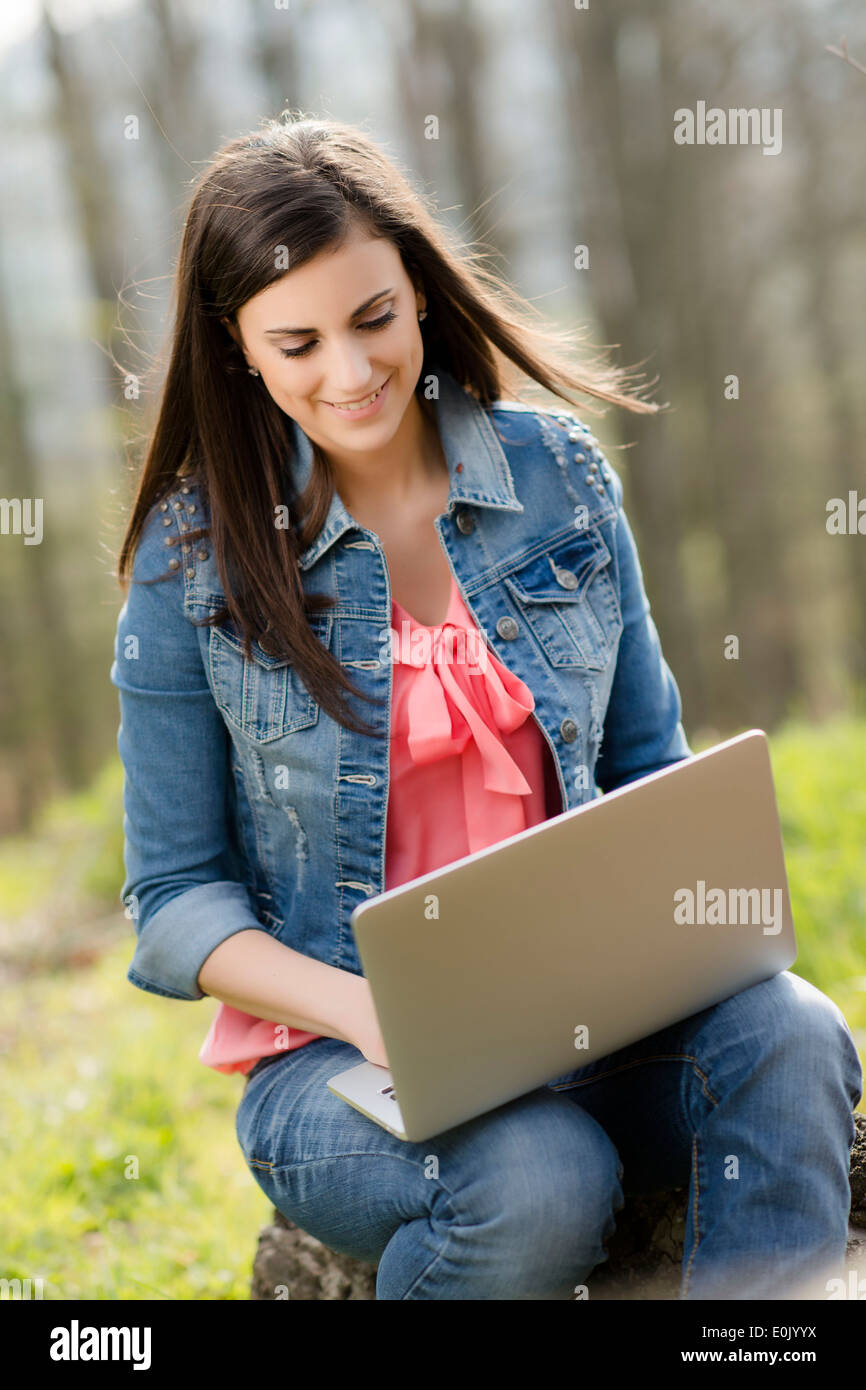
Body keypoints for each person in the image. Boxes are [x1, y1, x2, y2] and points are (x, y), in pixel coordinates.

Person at [110, 114, 862, 1301]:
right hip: (338, 1071)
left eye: (372, 320)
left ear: (416, 291)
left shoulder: (556, 476)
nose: (350, 375)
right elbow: (171, 901)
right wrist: (370, 1014)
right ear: (237, 346)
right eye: (296, 342)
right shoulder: (190, 558)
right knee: (536, 1176)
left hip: (592, 1021)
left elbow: (645, 768)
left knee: (794, 1031)